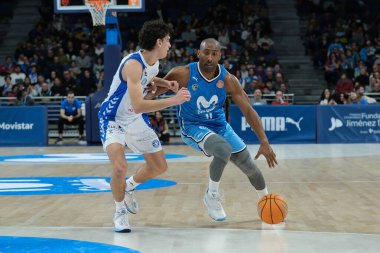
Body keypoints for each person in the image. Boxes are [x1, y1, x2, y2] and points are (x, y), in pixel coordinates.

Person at [155, 38, 277, 221]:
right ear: (198, 53)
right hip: (192, 126)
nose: (210, 58)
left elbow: (248, 111)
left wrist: (264, 141)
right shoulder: (183, 74)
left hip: (220, 127)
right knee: (222, 149)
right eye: (206, 52)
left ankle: (267, 204)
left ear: (220, 55)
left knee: (252, 169)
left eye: (214, 54)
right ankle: (211, 195)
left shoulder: (228, 79)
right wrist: (134, 99)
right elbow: (153, 92)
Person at [97, 19, 191, 233]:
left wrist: (165, 83)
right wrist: (174, 99)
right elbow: (139, 105)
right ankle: (119, 211)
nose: (169, 44)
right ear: (158, 42)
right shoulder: (133, 64)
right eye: (168, 41)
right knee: (120, 167)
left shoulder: (153, 63)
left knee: (159, 166)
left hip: (133, 118)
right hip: (112, 119)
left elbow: (148, 78)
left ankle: (128, 187)